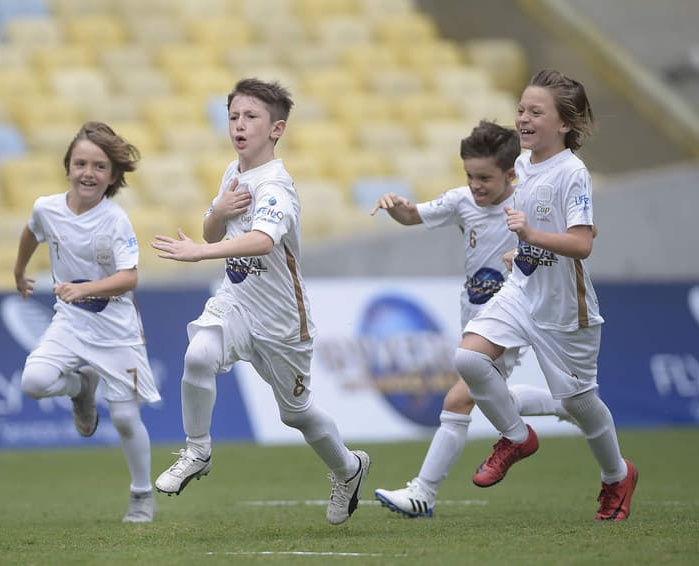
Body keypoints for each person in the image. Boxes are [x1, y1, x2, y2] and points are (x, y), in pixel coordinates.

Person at [150, 78, 369, 525]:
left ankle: (349, 470)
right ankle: (198, 451)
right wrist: (218, 212)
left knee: (297, 415)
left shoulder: (276, 186)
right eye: (233, 116)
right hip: (237, 302)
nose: (239, 125)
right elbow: (216, 230)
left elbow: (262, 240)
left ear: (276, 129)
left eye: (251, 117)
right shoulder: (233, 174)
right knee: (198, 355)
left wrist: (198, 253)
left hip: (283, 320)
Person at [453, 69, 637, 521]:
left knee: (579, 403)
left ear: (565, 124)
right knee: (469, 359)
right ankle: (517, 437)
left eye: (536, 112)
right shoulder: (521, 165)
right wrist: (527, 250)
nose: (523, 119)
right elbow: (552, 231)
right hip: (523, 290)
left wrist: (533, 235)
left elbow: (581, 243)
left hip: (563, 306)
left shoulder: (572, 173)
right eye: (520, 109)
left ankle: (617, 476)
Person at [369, 121, 573, 518]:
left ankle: (422, 493)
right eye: (470, 176)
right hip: (474, 317)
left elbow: (565, 250)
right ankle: (565, 402)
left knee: (458, 397)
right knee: (489, 395)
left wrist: (528, 256)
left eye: (485, 178)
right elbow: (413, 216)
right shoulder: (462, 201)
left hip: (513, 317)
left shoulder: (529, 207)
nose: (476, 185)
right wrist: (396, 207)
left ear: (511, 174)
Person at [13, 121, 162, 523]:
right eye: (80, 163)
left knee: (127, 418)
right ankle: (81, 387)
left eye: (99, 166)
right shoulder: (47, 208)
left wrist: (85, 290)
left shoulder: (115, 220)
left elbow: (130, 277)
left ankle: (142, 496)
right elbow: (31, 232)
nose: (88, 173)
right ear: (68, 167)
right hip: (72, 323)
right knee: (33, 383)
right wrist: (19, 270)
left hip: (116, 329)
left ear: (113, 176)